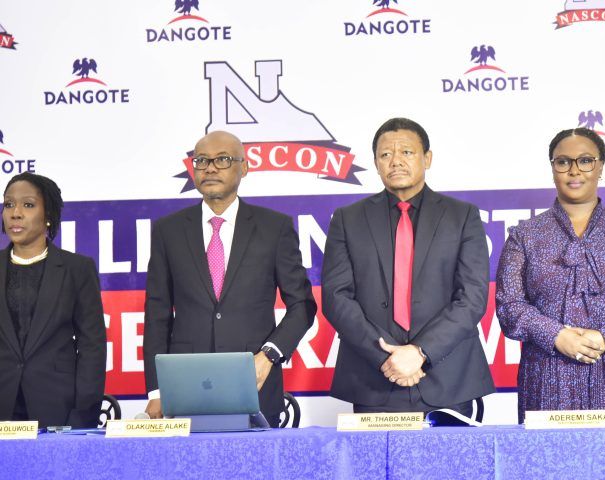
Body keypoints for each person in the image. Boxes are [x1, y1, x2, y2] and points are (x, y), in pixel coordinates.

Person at [322, 117, 495, 416]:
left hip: (448, 377)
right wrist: (387, 358)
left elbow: (472, 297)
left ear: (427, 158)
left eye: (406, 152)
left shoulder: (462, 216)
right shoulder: (348, 219)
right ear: (376, 164)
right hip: (374, 378)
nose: (396, 161)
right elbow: (336, 297)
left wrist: (421, 352)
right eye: (385, 154)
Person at [143, 131, 316, 424]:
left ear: (244, 167)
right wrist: (157, 391)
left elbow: (302, 305)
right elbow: (157, 314)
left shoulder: (274, 228)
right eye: (201, 160)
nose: (210, 168)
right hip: (186, 389)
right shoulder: (168, 231)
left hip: (255, 385)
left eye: (222, 159)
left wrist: (269, 355)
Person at [496, 128, 605, 423]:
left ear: (600, 166)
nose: (574, 170)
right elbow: (510, 307)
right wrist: (556, 336)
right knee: (549, 455)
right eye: (563, 162)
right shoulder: (525, 235)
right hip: (547, 379)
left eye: (585, 161)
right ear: (553, 168)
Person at [0, 172, 106, 428]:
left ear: (48, 215)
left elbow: (92, 346)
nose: (15, 213)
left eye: (28, 205)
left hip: (59, 409)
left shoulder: (77, 269)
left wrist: (82, 415)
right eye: (9, 204)